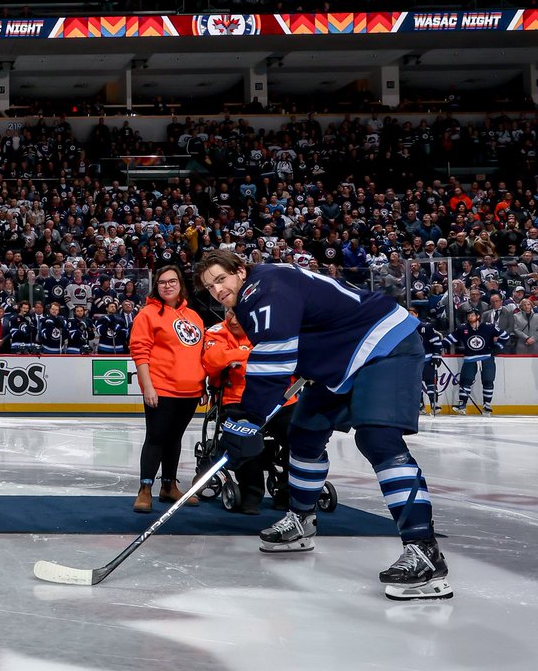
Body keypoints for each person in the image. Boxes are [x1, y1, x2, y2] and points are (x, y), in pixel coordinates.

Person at [196, 249, 453, 601]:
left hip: (384, 347)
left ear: (240, 270)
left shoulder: (262, 289)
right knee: (303, 434)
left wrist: (249, 419)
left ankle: (424, 549)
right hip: (342, 357)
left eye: (221, 279)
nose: (217, 289)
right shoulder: (256, 292)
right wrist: (249, 419)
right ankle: (302, 521)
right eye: (210, 286)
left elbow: (274, 357)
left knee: (379, 440)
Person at [128, 264, 205, 513]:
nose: (167, 286)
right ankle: (145, 489)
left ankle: (169, 486)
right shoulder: (148, 314)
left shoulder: (193, 317)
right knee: (156, 438)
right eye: (162, 282)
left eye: (172, 281)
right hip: (161, 388)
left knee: (175, 439)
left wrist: (201, 384)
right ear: (156, 286)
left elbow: (200, 354)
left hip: (190, 391)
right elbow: (140, 352)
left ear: (180, 284)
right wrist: (147, 386)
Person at [202, 308, 295, 514]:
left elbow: (288, 360)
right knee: (245, 438)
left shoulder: (271, 329)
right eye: (229, 313)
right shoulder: (217, 331)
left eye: (238, 314)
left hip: (279, 398)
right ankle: (251, 493)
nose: (233, 319)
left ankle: (287, 491)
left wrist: (237, 358)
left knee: (299, 437)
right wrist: (252, 354)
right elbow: (213, 361)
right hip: (237, 399)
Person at [444, 309, 508, 415]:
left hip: (486, 357)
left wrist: (498, 346)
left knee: (488, 380)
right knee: (465, 380)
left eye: (472, 315)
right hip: (470, 358)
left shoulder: (488, 327)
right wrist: (437, 346)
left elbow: (505, 335)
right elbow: (450, 339)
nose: (470, 317)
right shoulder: (462, 328)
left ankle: (487, 405)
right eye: (468, 315)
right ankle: (463, 405)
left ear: (478, 316)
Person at [412, 308, 444, 417]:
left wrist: (436, 356)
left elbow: (437, 342)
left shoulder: (426, 326)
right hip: (413, 361)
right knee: (416, 384)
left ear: (417, 314)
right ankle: (420, 405)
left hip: (427, 359)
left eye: (412, 314)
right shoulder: (404, 328)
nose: (410, 316)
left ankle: (434, 403)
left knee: (431, 382)